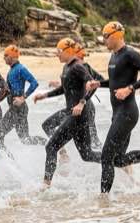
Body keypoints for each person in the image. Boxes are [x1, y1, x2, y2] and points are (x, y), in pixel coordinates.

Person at [85, 22, 140, 194]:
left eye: (106, 36)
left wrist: (130, 89)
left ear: (117, 35)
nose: (104, 40)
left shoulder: (130, 54)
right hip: (117, 113)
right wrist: (99, 83)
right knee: (118, 159)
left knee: (106, 156)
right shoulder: (113, 56)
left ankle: (104, 200)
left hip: (127, 113)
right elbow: (115, 83)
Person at [33, 38, 102, 186]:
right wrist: (45, 95)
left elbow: (92, 85)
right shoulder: (66, 67)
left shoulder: (78, 66)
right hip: (76, 115)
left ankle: (46, 186)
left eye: (58, 51)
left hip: (77, 115)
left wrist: (82, 103)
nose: (57, 55)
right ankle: (118, 160)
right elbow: (64, 89)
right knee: (87, 154)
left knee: (51, 147)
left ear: (68, 50)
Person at [42, 43, 103, 148]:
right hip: (76, 106)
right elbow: (72, 83)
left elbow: (99, 80)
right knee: (88, 143)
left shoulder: (83, 66)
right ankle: (60, 150)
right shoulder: (71, 67)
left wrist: (84, 99)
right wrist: (59, 84)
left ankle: (111, 159)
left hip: (85, 107)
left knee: (93, 140)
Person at [2, 44, 46, 145]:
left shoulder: (20, 68)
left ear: (12, 56)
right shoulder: (11, 70)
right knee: (25, 140)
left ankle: (1, 158)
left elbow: (34, 83)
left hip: (19, 109)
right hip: (15, 108)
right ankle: (51, 144)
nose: (3, 58)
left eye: (5, 55)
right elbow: (8, 90)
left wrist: (23, 97)